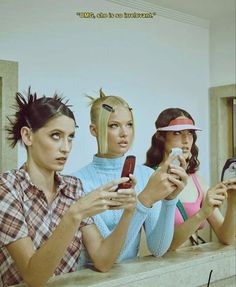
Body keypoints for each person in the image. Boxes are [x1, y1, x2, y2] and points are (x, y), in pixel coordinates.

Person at [0, 89, 137, 287]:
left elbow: (103, 260)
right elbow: (34, 277)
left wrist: (128, 212)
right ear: (28, 136)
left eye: (70, 137)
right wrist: (74, 215)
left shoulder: (73, 188)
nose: (66, 147)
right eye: (56, 135)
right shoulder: (7, 188)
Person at [72, 89, 188, 264]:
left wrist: (169, 201)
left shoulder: (147, 175)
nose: (124, 133)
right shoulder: (77, 183)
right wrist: (145, 199)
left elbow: (157, 249)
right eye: (114, 125)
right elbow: (111, 258)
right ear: (94, 130)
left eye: (129, 124)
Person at [145, 108, 236, 250]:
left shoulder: (198, 181)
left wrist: (233, 201)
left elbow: (226, 237)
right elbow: (164, 246)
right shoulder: (149, 178)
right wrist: (203, 213)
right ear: (160, 136)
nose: (186, 140)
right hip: (164, 268)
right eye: (177, 133)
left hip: (193, 264)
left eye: (190, 133)